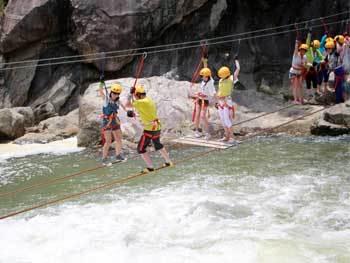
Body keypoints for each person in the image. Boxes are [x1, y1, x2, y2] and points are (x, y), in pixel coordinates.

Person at [125, 85, 173, 173]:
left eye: (136, 95)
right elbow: (144, 112)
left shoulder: (141, 102)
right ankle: (168, 162)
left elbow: (127, 104)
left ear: (139, 95)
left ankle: (150, 167)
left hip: (149, 129)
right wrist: (134, 114)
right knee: (157, 144)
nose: (135, 97)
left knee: (141, 148)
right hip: (157, 127)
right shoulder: (148, 100)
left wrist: (130, 94)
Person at [99, 82, 127, 165]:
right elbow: (101, 91)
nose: (115, 95)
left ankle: (118, 155)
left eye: (117, 94)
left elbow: (124, 108)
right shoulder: (106, 100)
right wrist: (101, 83)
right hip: (106, 122)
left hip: (115, 120)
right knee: (108, 141)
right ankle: (104, 159)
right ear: (111, 92)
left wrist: (130, 113)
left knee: (119, 139)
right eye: (114, 93)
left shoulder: (118, 101)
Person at [193, 67, 216, 140]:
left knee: (203, 116)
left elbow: (213, 94)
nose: (201, 77)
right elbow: (202, 90)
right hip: (199, 99)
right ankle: (196, 131)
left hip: (205, 100)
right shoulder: (203, 81)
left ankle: (208, 133)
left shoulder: (210, 83)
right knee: (197, 115)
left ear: (207, 76)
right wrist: (199, 93)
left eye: (202, 76)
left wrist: (216, 102)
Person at [216, 66, 235, 142]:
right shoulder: (220, 80)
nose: (221, 77)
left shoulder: (231, 79)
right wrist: (217, 102)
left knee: (227, 120)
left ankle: (232, 137)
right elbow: (219, 90)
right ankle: (226, 136)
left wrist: (236, 61)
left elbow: (237, 70)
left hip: (227, 101)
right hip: (220, 101)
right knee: (222, 120)